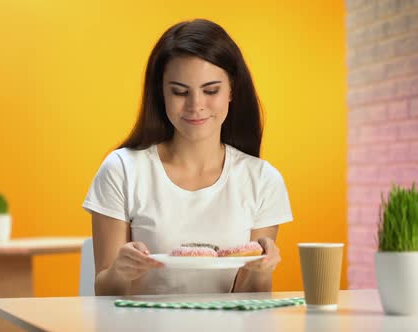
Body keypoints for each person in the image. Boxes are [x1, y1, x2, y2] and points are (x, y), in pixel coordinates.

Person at [83, 19, 293, 296]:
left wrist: (262, 270)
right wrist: (120, 271)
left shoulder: (262, 179)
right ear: (161, 93)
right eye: (180, 92)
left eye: (211, 90)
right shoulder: (122, 169)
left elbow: (250, 298)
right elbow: (105, 292)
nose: (196, 106)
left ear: (232, 90)